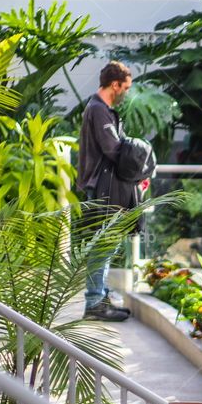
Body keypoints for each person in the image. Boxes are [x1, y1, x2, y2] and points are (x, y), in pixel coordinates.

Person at [77, 61, 140, 322]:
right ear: (115, 85)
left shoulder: (102, 109)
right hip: (101, 185)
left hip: (106, 185)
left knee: (107, 245)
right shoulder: (98, 110)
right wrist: (138, 157)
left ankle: (99, 297)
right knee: (103, 245)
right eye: (125, 87)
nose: (126, 92)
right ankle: (94, 302)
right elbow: (114, 149)